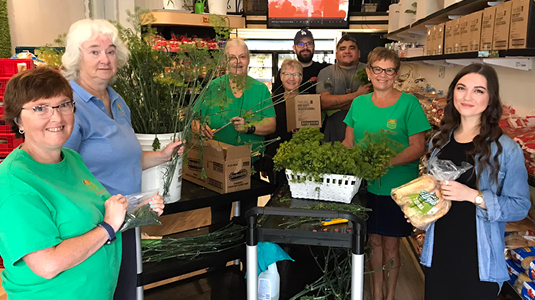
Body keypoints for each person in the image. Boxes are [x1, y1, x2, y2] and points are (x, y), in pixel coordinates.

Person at [0, 67, 164, 299]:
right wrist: (107, 228)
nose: (56, 117)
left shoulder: (72, 160)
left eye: (64, 104)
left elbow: (95, 214)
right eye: (40, 108)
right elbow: (47, 264)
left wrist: (138, 208)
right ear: (18, 120)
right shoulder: (14, 182)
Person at [61, 19, 181, 300]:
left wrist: (163, 156)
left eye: (111, 51)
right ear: (77, 57)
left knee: (125, 290)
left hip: (125, 221)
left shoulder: (117, 101)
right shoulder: (68, 105)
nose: (105, 59)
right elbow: (61, 171)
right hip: (92, 227)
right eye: (94, 51)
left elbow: (126, 160)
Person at [422, 63, 530, 300]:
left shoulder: (505, 150)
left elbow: (520, 207)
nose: (467, 97)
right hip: (438, 252)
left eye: (478, 90)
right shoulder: (439, 141)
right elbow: (434, 190)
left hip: (478, 261)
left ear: (491, 99)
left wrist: (473, 195)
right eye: (462, 88)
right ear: (453, 94)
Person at [342, 47, 430, 300]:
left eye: (389, 70)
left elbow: (418, 147)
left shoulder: (409, 104)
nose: (383, 75)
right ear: (368, 72)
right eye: (377, 69)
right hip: (364, 186)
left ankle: (390, 296)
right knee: (373, 242)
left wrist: (387, 162)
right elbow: (349, 143)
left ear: (396, 74)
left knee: (391, 243)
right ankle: (376, 292)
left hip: (398, 187)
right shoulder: (358, 104)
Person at [192, 38, 276, 221]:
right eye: (232, 57)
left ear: (248, 59)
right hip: (217, 165)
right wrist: (200, 128)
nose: (238, 62)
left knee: (249, 218)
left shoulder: (260, 90)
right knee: (219, 218)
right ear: (224, 62)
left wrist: (249, 127)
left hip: (249, 166)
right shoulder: (214, 87)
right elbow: (193, 120)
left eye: (242, 57)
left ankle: (247, 249)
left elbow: (271, 124)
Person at [318, 34, 372, 142]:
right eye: (343, 48)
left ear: (359, 53)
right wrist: (357, 95)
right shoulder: (326, 72)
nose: (347, 51)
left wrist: (336, 104)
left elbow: (372, 101)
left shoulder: (369, 71)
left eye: (352, 48)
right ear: (337, 54)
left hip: (364, 125)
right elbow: (323, 102)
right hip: (333, 127)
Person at [265, 59, 303, 184]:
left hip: (300, 157)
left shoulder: (308, 100)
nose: (291, 79)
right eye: (287, 74)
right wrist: (265, 161)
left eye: (296, 74)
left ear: (301, 78)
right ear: (281, 76)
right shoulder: (272, 100)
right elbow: (267, 132)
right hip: (276, 157)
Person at [271, 28, 330, 96]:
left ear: (314, 47)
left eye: (309, 43)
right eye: (300, 44)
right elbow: (276, 96)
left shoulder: (324, 69)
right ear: (294, 48)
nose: (305, 47)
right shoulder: (285, 71)